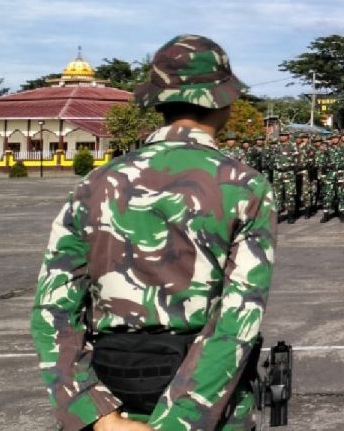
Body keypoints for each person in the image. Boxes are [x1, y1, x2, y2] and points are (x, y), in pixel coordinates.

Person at [31, 34, 275, 431]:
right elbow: (237, 317)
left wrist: (97, 415)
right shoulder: (244, 186)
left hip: (113, 399)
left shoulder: (94, 184)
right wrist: (178, 421)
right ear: (224, 101)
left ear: (158, 100)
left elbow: (53, 310)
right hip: (208, 409)